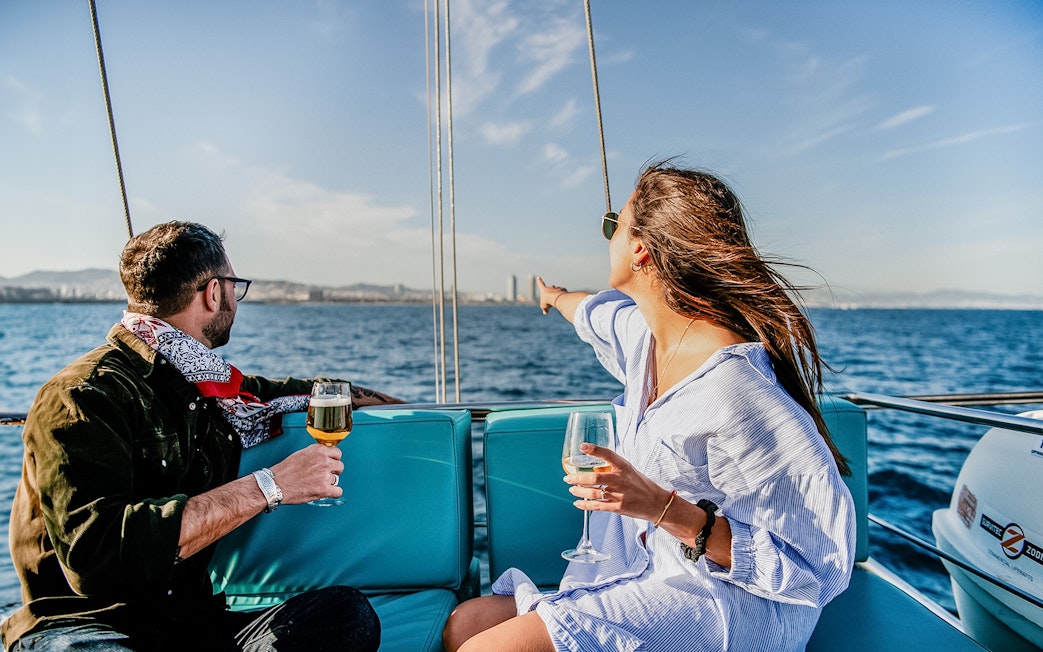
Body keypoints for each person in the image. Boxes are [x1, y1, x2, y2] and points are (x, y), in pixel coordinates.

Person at [443, 163, 856, 651]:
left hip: (725, 602)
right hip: (650, 570)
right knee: (465, 625)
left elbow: (822, 566)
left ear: (639, 248)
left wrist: (662, 508)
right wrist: (554, 297)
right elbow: (593, 313)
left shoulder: (738, 389)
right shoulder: (647, 340)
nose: (607, 236)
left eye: (612, 225)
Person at [4, 221, 404, 651]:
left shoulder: (212, 389)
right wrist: (272, 485)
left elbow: (304, 393)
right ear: (214, 292)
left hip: (185, 623)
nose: (235, 298)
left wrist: (395, 407)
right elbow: (96, 562)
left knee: (344, 616)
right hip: (85, 628)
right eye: (235, 286)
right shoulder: (82, 394)